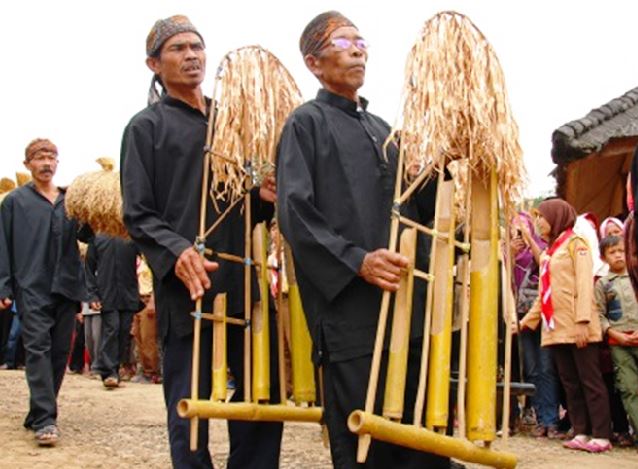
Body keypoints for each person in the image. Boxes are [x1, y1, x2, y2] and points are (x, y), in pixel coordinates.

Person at [276, 11, 453, 468]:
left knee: (422, 438)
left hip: (407, 306)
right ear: (314, 63)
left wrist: (446, 164)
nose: (357, 48)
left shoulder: (386, 131)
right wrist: (357, 261)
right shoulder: (305, 124)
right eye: (342, 41)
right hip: (350, 313)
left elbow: (424, 209)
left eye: (361, 40)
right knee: (366, 446)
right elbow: (295, 213)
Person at [120, 15, 282, 468]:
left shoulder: (230, 124)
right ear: (154, 63)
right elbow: (139, 213)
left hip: (243, 279)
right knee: (190, 408)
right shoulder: (144, 128)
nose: (191, 56)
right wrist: (177, 251)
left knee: (260, 396)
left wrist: (264, 198)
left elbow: (241, 204)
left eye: (197, 47)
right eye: (177, 49)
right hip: (188, 284)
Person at [0, 138, 90, 446]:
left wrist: (91, 207)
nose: (47, 162)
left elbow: (87, 237)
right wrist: (4, 284)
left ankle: (39, 410)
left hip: (65, 285)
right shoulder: (14, 202)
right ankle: (45, 419)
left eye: (52, 157)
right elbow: (4, 247)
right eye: (40, 157)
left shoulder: (69, 201)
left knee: (59, 351)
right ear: (28, 164)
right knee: (37, 348)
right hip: (31, 285)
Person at [520, 198, 612, 453]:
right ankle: (581, 431)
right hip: (556, 328)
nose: (538, 222)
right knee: (570, 382)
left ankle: (602, 435)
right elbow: (543, 294)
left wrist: (583, 321)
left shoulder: (576, 244)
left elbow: (585, 284)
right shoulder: (549, 252)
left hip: (577, 325)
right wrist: (525, 322)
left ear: (557, 217)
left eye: (542, 216)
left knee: (590, 380)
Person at [511, 212, 561, 438]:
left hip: (543, 314)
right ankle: (541, 419)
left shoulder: (543, 246)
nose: (519, 231)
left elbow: (543, 263)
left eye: (522, 226)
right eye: (515, 227)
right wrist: (510, 252)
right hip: (519, 316)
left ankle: (551, 420)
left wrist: (530, 238)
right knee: (530, 369)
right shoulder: (507, 249)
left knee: (547, 367)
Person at [595, 235, 638, 446]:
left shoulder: (635, 277)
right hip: (618, 344)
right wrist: (615, 334)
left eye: (621, 251)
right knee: (629, 388)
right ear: (604, 258)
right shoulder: (603, 284)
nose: (618, 255)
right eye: (613, 252)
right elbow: (599, 314)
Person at [85, 234, 140, 388]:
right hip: (107, 294)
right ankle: (108, 372)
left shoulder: (131, 237)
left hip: (128, 294)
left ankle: (115, 369)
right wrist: (92, 295)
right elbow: (89, 269)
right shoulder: (97, 238)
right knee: (111, 329)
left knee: (123, 332)